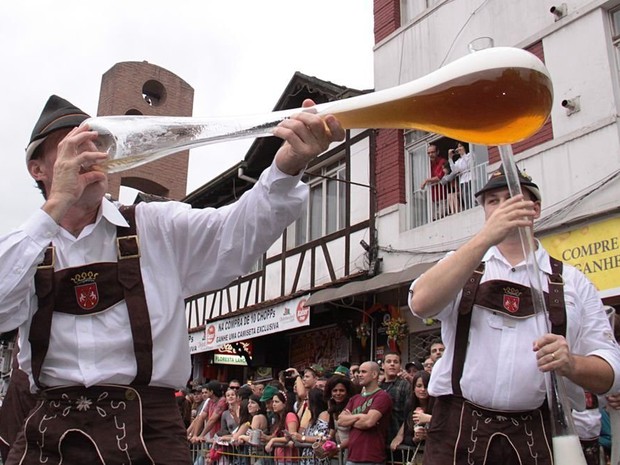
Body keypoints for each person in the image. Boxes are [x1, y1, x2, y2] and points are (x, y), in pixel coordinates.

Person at [0, 94, 344, 465]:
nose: (90, 154)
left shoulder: (153, 224)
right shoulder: (26, 247)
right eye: (72, 147)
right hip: (50, 433)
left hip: (148, 432)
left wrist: (287, 164)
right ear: (38, 169)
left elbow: (236, 234)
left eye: (96, 143)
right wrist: (56, 205)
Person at [409, 166, 620, 465]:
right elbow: (421, 304)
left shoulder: (572, 281)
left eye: (512, 198)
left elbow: (611, 373)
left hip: (540, 431)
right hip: (457, 430)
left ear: (534, 209)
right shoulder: (461, 266)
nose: (502, 206)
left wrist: (571, 364)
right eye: (493, 201)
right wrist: (483, 240)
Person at [338, 361, 392, 465]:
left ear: (374, 374)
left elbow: (368, 422)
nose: (359, 374)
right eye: (358, 372)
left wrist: (351, 419)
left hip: (371, 458)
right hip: (352, 457)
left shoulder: (382, 396)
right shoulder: (355, 398)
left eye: (363, 372)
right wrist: (360, 417)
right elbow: (340, 420)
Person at [390, 371, 434, 465]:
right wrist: (415, 438)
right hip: (418, 456)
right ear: (413, 388)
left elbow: (446, 427)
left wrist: (429, 433)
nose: (423, 389)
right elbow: (407, 435)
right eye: (419, 386)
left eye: (426, 386)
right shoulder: (409, 405)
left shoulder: (438, 405)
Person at [379, 351, 411, 445]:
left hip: (397, 438)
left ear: (400, 366)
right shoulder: (377, 386)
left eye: (395, 362)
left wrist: (399, 435)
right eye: (389, 361)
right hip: (379, 438)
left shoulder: (405, 385)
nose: (392, 364)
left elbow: (409, 414)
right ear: (383, 365)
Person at [264, 390, 300, 465]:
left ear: (284, 404)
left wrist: (273, 440)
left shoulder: (290, 415)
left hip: (289, 459)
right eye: (273, 402)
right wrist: (264, 436)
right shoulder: (279, 419)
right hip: (280, 458)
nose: (273, 404)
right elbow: (274, 436)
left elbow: (292, 436)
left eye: (277, 402)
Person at [420, 144, 446, 220]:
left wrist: (426, 180)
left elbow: (439, 177)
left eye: (432, 152)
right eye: (429, 153)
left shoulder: (442, 161)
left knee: (442, 217)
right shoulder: (428, 165)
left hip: (442, 196)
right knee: (434, 219)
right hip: (432, 198)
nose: (430, 154)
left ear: (437, 152)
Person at [447, 142, 473, 211]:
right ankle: (469, 209)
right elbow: (455, 171)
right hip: (463, 181)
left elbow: (469, 165)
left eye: (461, 146)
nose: (459, 148)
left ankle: (474, 205)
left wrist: (463, 154)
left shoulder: (470, 155)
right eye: (458, 147)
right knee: (466, 197)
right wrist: (450, 158)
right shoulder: (458, 161)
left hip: (471, 177)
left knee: (472, 194)